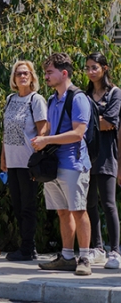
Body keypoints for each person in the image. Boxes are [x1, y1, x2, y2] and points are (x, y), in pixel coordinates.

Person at [34, 53, 93, 275]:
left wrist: (46, 140)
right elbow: (50, 127)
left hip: (73, 163)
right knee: (62, 211)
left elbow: (78, 133)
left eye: (50, 72)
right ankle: (67, 256)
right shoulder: (51, 99)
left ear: (64, 73)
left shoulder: (78, 98)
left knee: (78, 210)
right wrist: (41, 141)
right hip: (53, 164)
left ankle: (85, 258)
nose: (46, 77)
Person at [0, 60, 47, 261]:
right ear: (14, 77)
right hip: (12, 162)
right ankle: (26, 245)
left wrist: (37, 160)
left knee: (28, 207)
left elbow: (43, 130)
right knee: (18, 206)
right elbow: (6, 132)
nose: (22, 76)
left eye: (26, 73)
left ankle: (28, 248)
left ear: (32, 77)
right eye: (19, 73)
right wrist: (3, 157)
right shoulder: (11, 99)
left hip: (28, 162)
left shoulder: (36, 100)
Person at [83, 52, 121, 268]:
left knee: (108, 203)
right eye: (88, 68)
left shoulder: (115, 93)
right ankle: (97, 247)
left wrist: (87, 122)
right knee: (89, 204)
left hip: (107, 153)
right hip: (86, 155)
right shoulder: (86, 95)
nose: (90, 71)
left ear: (104, 68)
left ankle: (115, 251)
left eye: (94, 67)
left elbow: (110, 123)